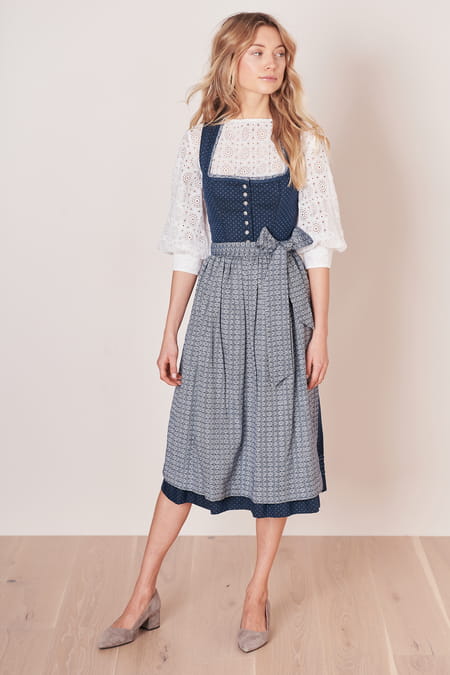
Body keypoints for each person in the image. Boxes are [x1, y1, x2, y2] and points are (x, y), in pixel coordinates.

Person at [97, 11, 347, 653]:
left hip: (283, 305)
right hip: (217, 306)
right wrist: (169, 331)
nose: (272, 63)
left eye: (279, 53)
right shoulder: (200, 142)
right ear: (231, 60)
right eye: (257, 52)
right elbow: (190, 244)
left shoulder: (304, 142)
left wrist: (321, 333)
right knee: (191, 444)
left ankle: (256, 592)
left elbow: (318, 246)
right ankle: (142, 593)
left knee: (276, 447)